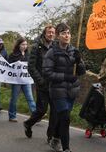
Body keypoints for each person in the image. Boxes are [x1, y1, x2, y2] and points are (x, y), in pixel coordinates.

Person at [43, 23, 86, 152]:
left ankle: (55, 138)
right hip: (57, 90)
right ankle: (66, 148)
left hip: (71, 90)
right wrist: (66, 77)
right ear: (57, 36)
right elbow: (47, 73)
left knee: (62, 117)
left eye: (68, 33)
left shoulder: (74, 50)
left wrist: (79, 61)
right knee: (66, 117)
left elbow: (82, 72)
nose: (66, 35)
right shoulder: (52, 52)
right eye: (63, 33)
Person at [23, 25, 56, 142]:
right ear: (44, 33)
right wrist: (40, 81)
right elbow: (31, 67)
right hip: (42, 84)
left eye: (53, 32)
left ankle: (50, 136)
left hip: (54, 84)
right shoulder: (37, 46)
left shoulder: (56, 47)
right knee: (42, 110)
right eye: (49, 32)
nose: (51, 34)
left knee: (55, 111)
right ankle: (28, 123)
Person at [8, 37, 36, 122]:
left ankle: (36, 115)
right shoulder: (13, 55)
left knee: (30, 98)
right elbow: (8, 65)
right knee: (14, 98)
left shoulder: (28, 55)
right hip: (16, 81)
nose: (25, 46)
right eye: (23, 44)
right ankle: (12, 115)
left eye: (26, 44)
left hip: (26, 80)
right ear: (18, 45)